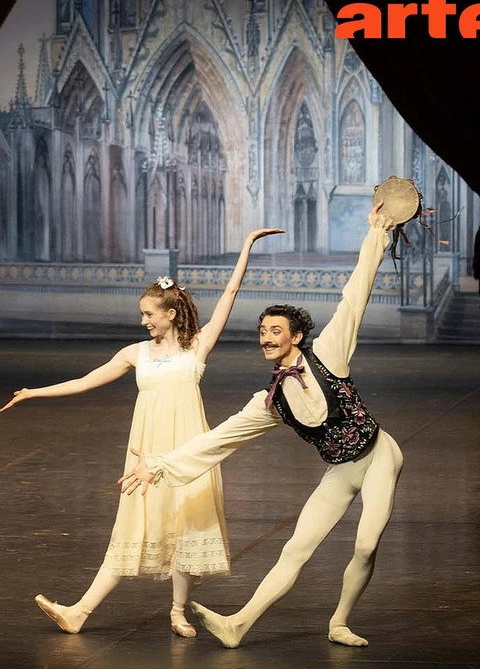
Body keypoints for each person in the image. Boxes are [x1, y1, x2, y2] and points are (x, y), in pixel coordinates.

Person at [119, 203, 403, 649]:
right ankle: (238, 625)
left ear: (296, 336)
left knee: (366, 544)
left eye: (275, 331)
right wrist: (158, 464)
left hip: (379, 453)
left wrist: (377, 234)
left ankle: (339, 621)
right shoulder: (271, 401)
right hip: (341, 469)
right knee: (296, 548)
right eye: (262, 332)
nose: (267, 338)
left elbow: (356, 294)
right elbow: (219, 439)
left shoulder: (329, 352)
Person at [1, 227, 284, 638]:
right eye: (142, 314)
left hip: (187, 449)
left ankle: (177, 611)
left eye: (149, 314)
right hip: (146, 454)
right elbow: (86, 381)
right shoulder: (135, 354)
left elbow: (230, 293)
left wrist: (246, 245)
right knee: (132, 526)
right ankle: (79, 611)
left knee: (186, 525)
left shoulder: (197, 346)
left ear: (171, 314)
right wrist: (33, 392)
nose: (143, 320)